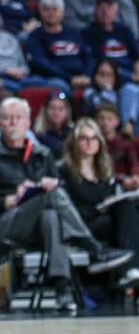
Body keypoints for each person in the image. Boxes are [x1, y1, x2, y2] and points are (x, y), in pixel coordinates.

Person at [0, 96, 132, 314]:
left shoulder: (41, 154)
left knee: (52, 216)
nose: (13, 122)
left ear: (28, 122)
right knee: (51, 197)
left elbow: (58, 189)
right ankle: (94, 249)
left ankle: (62, 290)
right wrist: (7, 200)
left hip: (41, 223)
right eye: (7, 118)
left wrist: (47, 185)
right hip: (6, 222)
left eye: (18, 118)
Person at [59, 118, 139, 284]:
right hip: (80, 226)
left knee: (126, 205)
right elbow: (65, 207)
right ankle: (129, 269)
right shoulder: (64, 170)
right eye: (84, 138)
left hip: (104, 220)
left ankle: (128, 270)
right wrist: (99, 209)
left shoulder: (104, 169)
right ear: (74, 142)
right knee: (127, 215)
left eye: (94, 138)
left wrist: (110, 202)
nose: (89, 143)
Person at [25, 0, 92, 95]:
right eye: (46, 9)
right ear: (40, 12)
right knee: (59, 86)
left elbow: (88, 56)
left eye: (55, 9)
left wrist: (87, 76)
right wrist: (70, 79)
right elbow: (42, 65)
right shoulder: (35, 37)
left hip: (82, 77)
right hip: (55, 79)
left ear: (62, 12)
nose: (51, 13)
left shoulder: (74, 33)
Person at [95, 104, 139, 189]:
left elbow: (134, 165)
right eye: (101, 118)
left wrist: (135, 177)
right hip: (100, 183)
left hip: (124, 184)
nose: (105, 122)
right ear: (96, 121)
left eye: (109, 119)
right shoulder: (93, 143)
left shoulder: (125, 143)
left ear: (117, 121)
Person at [34, 94, 74, 160]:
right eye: (52, 108)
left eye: (61, 109)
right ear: (45, 111)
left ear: (67, 112)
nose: (56, 112)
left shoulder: (73, 132)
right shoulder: (38, 136)